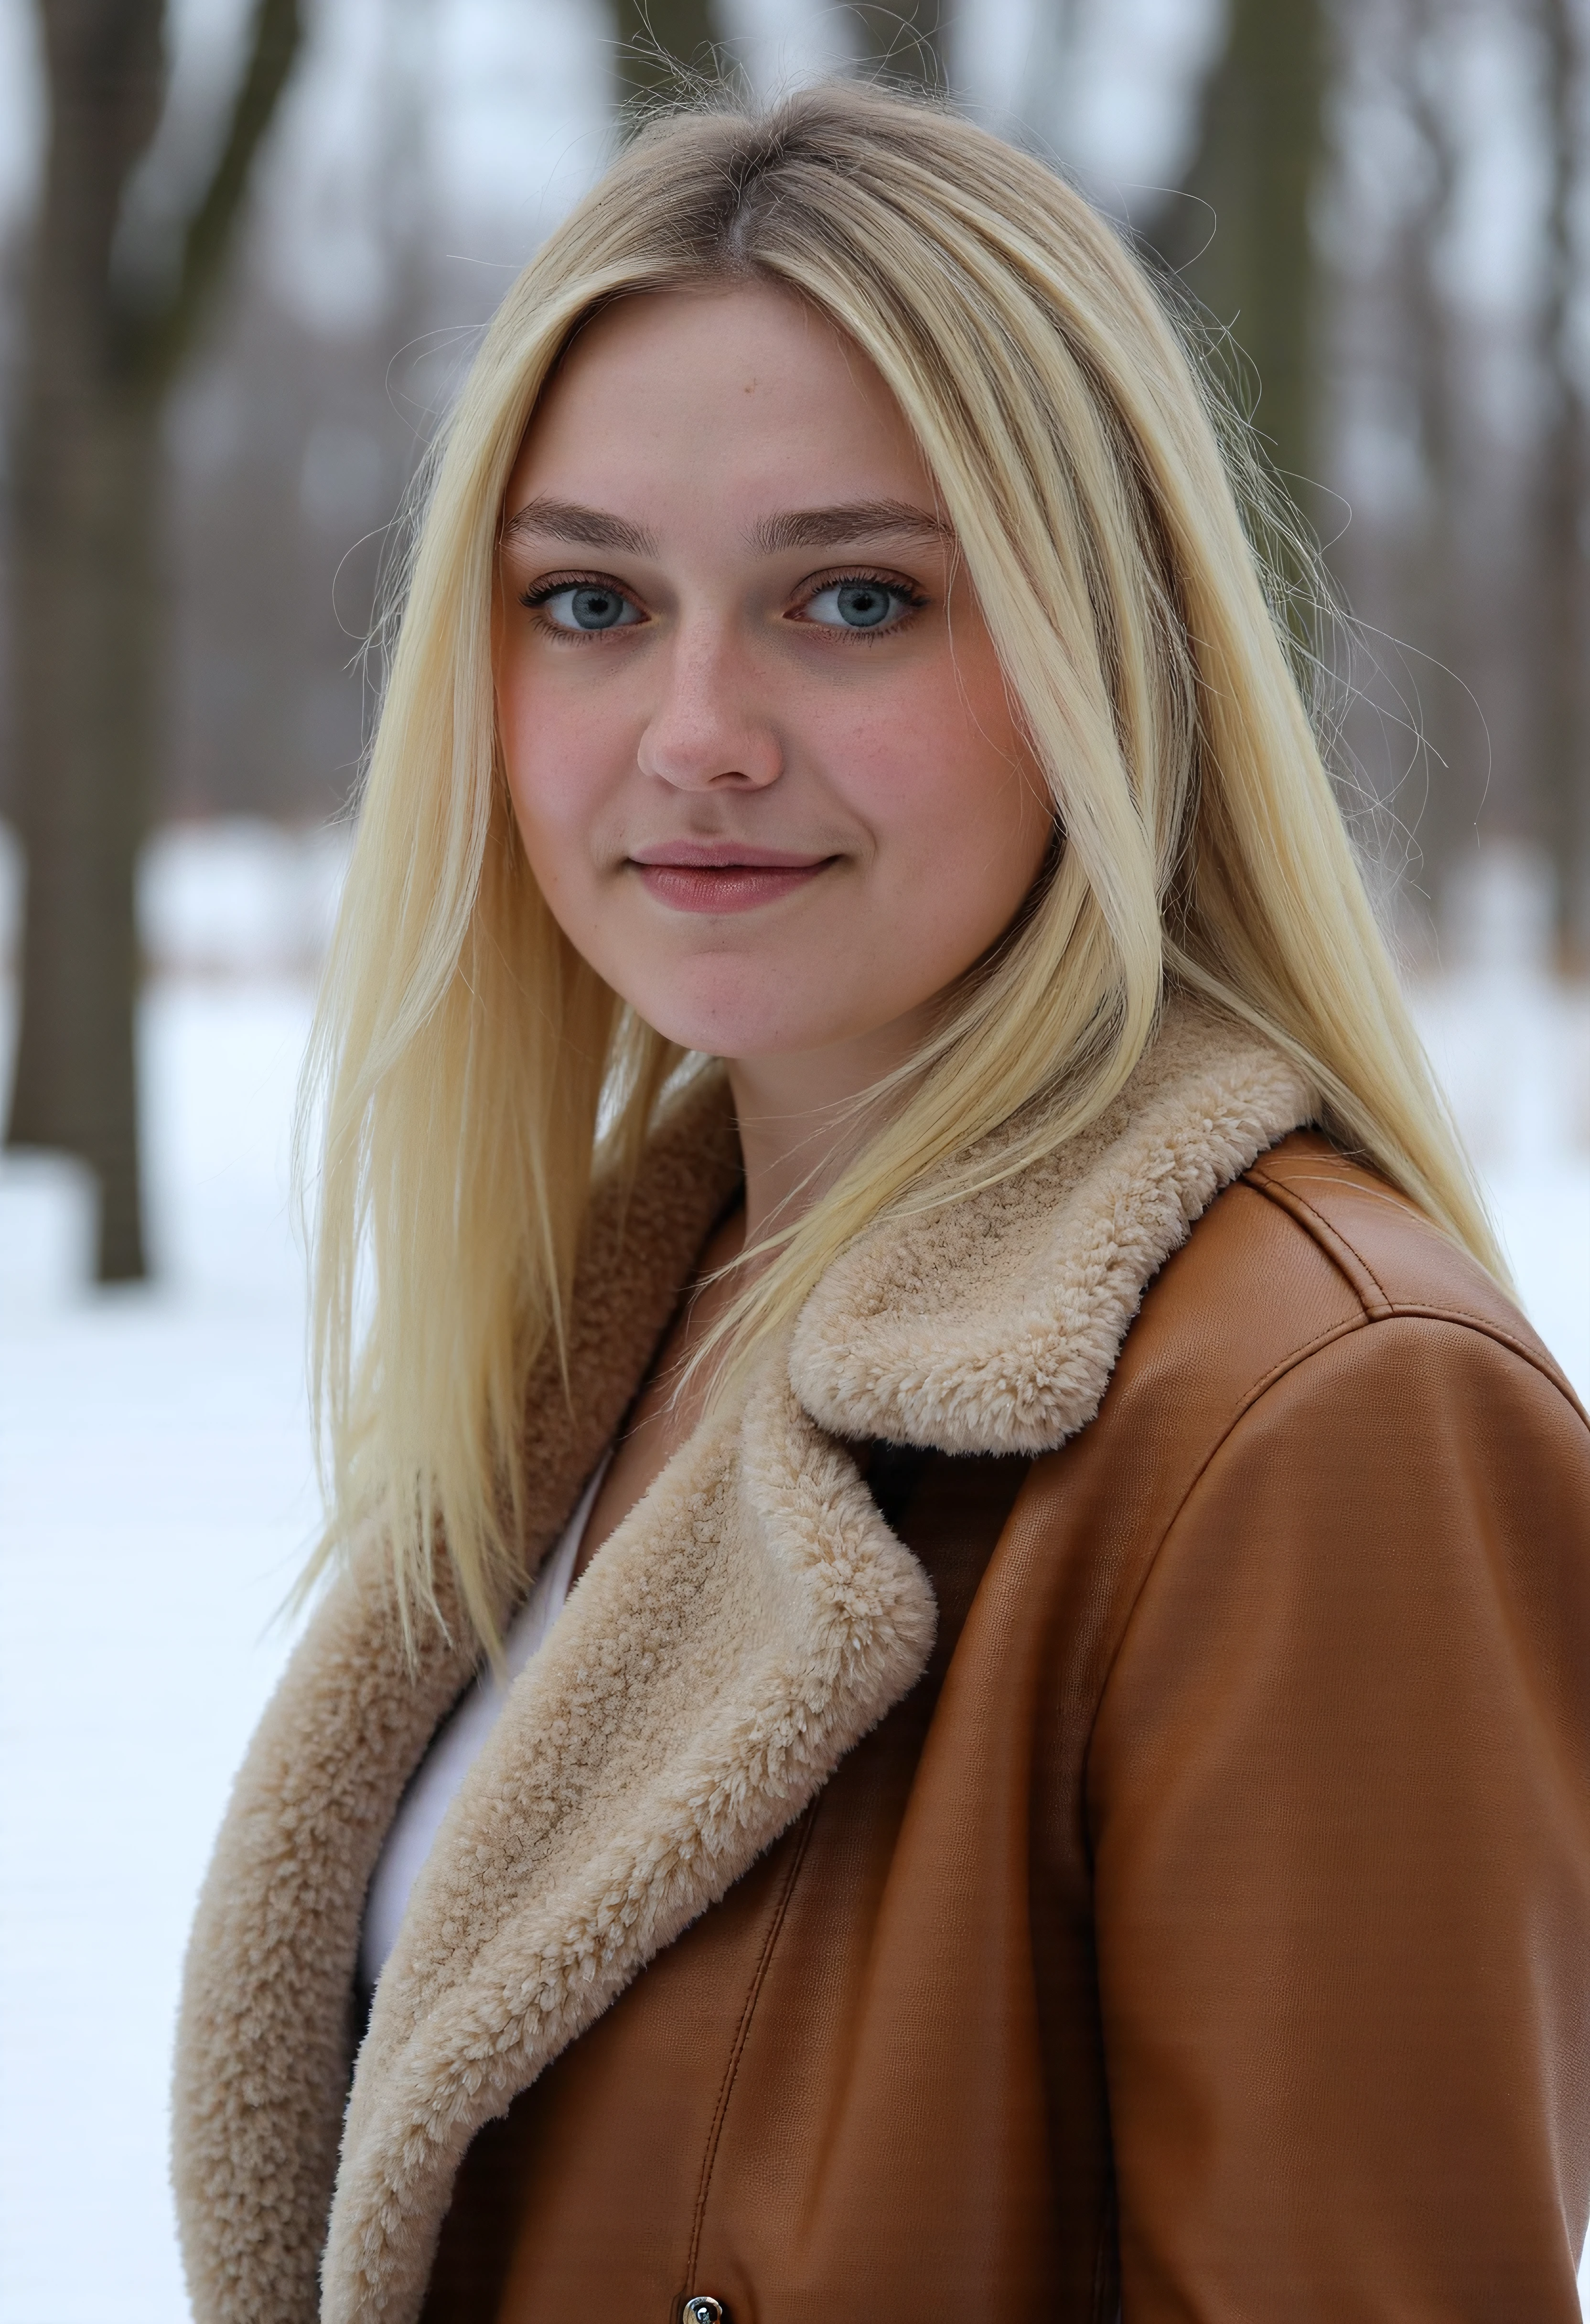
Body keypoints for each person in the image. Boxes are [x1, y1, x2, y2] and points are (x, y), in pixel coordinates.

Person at [171, 83, 1590, 2324]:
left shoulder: (1319, 1418)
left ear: (1102, 652)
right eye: (589, 600)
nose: (700, 728)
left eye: (854, 598)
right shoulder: (616, 1337)